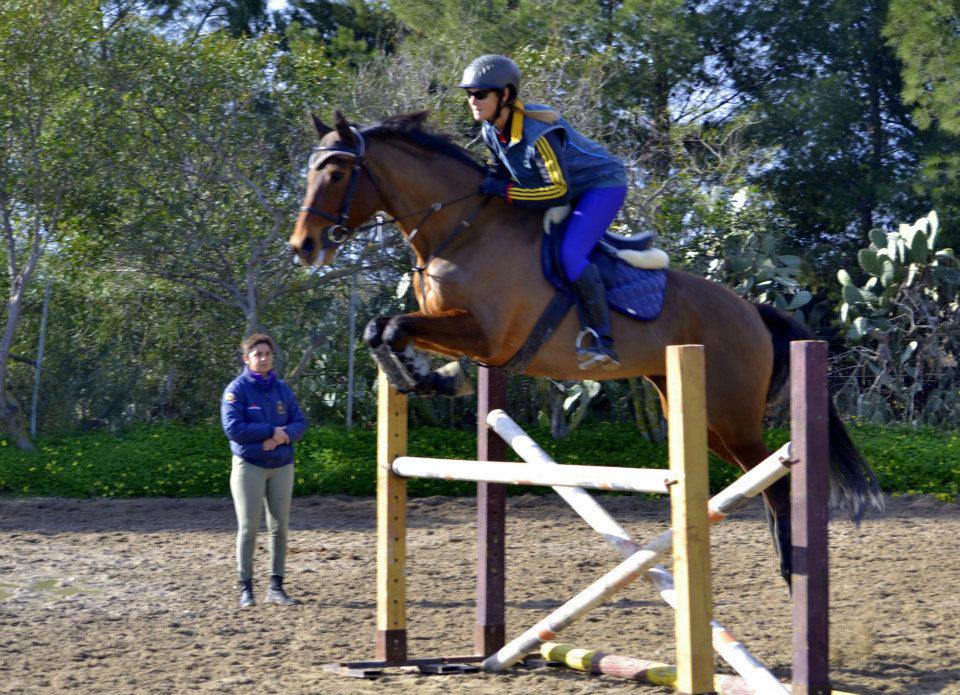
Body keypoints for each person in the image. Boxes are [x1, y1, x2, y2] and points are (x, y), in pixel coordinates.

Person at [460, 54, 629, 370]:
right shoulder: (489, 131)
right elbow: (503, 170)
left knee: (570, 254)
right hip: (563, 190)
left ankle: (602, 341)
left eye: (480, 94)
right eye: (469, 94)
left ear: (505, 95)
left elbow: (558, 191)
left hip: (601, 185)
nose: (472, 101)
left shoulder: (539, 132)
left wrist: (505, 191)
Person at [221, 333, 307, 608]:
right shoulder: (237, 390)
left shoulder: (282, 389)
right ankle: (246, 588)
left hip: (281, 466)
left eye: (268, 354)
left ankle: (276, 587)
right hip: (250, 466)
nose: (264, 358)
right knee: (248, 528)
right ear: (246, 359)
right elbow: (233, 428)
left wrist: (281, 438)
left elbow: (300, 423)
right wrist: (270, 432)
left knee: (279, 527)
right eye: (258, 354)